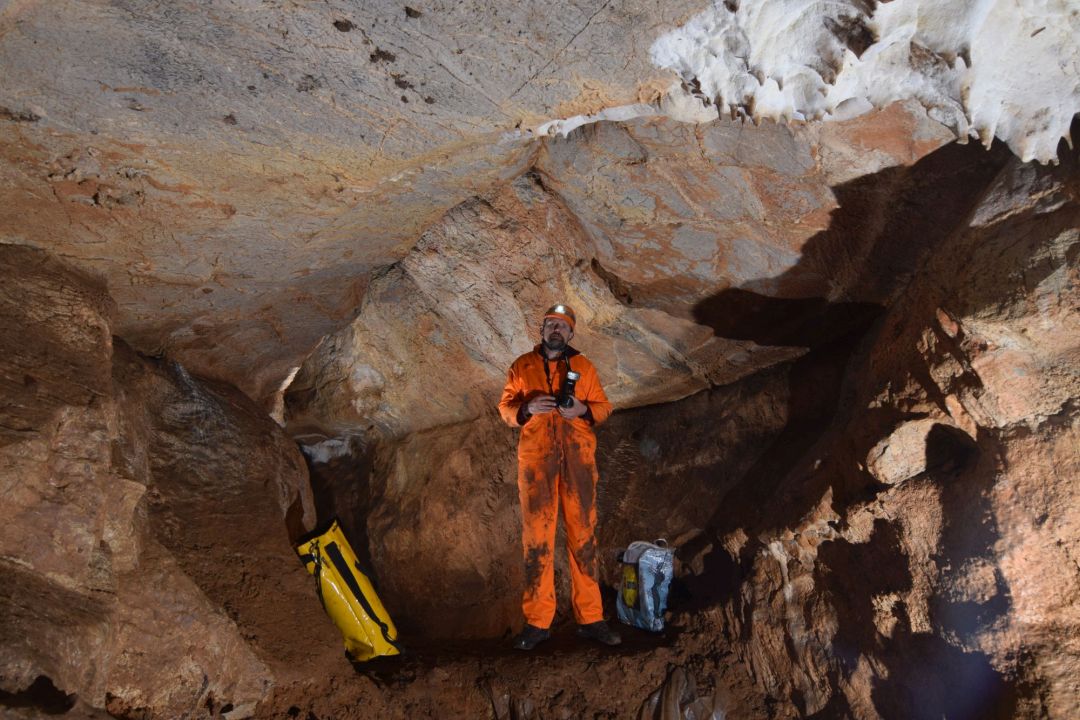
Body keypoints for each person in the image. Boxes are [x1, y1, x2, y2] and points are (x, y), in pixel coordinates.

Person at [498, 304, 622, 650]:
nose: (556, 330)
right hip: (537, 464)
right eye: (551, 324)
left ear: (571, 334)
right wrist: (527, 409)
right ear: (542, 330)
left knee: (583, 538)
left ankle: (591, 618)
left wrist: (582, 410)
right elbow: (505, 409)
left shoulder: (583, 366)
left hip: (578, 462)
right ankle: (538, 622)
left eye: (563, 327)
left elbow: (604, 406)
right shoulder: (522, 366)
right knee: (537, 540)